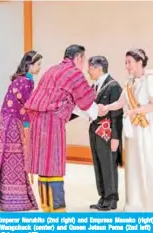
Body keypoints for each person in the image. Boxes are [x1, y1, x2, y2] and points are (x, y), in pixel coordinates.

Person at [24, 45, 101, 212]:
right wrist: (97, 111)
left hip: (36, 120)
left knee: (43, 166)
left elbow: (63, 99)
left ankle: (47, 207)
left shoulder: (52, 69)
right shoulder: (74, 73)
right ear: (79, 58)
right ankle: (58, 210)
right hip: (51, 121)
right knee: (54, 165)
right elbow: (85, 100)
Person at [101, 49, 153, 212]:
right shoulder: (129, 83)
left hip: (147, 127)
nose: (127, 66)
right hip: (133, 131)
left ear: (140, 62)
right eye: (126, 62)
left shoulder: (150, 80)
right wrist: (105, 107)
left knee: (149, 162)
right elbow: (120, 103)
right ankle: (136, 203)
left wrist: (135, 111)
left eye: (129, 62)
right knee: (134, 164)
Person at [70, 56, 123, 211]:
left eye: (91, 68)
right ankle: (103, 196)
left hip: (107, 133)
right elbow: (85, 107)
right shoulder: (95, 87)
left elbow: (117, 114)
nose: (88, 71)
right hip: (95, 131)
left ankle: (111, 199)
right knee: (99, 165)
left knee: (108, 165)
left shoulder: (113, 86)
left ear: (99, 69)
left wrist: (115, 137)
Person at [0, 51, 42, 212]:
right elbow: (28, 106)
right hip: (14, 123)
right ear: (29, 65)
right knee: (17, 158)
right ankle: (17, 199)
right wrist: (29, 127)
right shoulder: (26, 82)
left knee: (9, 159)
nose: (40, 68)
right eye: (38, 64)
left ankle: (7, 198)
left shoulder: (19, 80)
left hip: (7, 122)